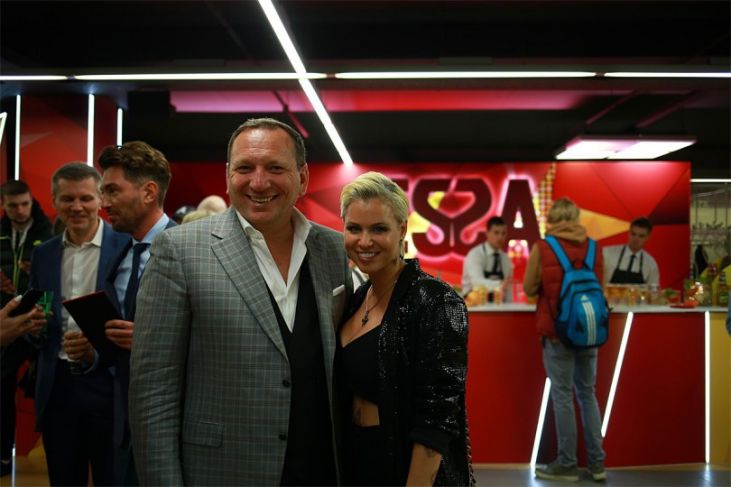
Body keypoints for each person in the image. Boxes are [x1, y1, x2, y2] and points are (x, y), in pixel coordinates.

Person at [128, 118, 352, 485]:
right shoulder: (180, 250)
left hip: (320, 470)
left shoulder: (333, 250)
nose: (258, 182)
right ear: (228, 175)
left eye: (275, 168)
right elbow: (153, 391)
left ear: (303, 178)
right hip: (223, 471)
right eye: (245, 168)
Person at [338, 171, 473, 486]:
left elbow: (437, 418)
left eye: (379, 229)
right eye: (354, 228)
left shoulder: (435, 300)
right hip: (354, 460)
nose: (364, 241)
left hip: (402, 465)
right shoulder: (357, 298)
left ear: (402, 229)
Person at [28, 163, 129, 486]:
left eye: (85, 198)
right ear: (53, 201)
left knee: (111, 477)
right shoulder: (43, 255)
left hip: (108, 384)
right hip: (57, 385)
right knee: (63, 478)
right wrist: (33, 327)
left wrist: (96, 352)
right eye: (67, 199)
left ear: (100, 199)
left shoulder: (126, 247)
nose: (77, 207)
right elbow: (41, 308)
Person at [98, 140, 175, 485]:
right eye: (103, 192)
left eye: (113, 191)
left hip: (171, 429)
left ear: (148, 192)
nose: (104, 203)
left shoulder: (194, 254)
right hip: (123, 426)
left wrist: (149, 341)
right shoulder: (120, 258)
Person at [523, 198, 606, 482]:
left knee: (562, 396)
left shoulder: (544, 247)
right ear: (576, 218)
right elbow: (600, 286)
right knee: (587, 393)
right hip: (589, 331)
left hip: (557, 332)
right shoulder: (594, 247)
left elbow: (529, 287)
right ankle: (597, 464)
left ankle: (567, 464)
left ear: (551, 220)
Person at [0, 179, 53, 476]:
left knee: (47, 386)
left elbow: (54, 283)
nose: (20, 210)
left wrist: (37, 277)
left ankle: (52, 453)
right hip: (5, 323)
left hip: (36, 321)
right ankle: (4, 456)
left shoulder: (48, 233)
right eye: (13, 205)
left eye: (25, 204)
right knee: (2, 387)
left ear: (32, 201)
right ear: (3, 205)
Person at [461, 215, 514, 301]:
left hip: (497, 306)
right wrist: (500, 284)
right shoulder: (475, 254)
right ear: (487, 233)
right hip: (473, 306)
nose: (500, 237)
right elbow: (477, 283)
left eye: (503, 233)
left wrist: (510, 306)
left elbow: (507, 290)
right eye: (496, 233)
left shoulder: (506, 259)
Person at [602, 217, 659, 286]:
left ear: (648, 237)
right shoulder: (607, 253)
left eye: (641, 236)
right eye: (633, 234)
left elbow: (653, 290)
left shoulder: (651, 264)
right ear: (628, 233)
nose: (636, 239)